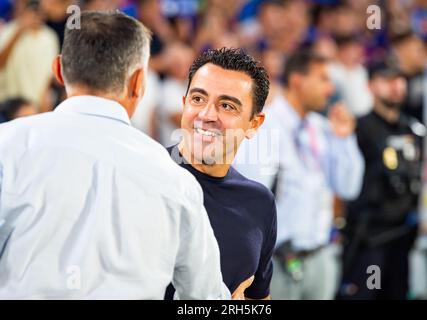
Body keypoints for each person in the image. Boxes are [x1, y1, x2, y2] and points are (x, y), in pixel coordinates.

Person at [0, 11, 229, 300]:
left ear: (58, 71)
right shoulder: (175, 180)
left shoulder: (7, 147)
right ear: (138, 83)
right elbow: (206, 299)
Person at [234, 50, 364, 300]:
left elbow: (349, 187)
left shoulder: (322, 128)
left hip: (321, 257)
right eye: (323, 79)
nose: (330, 89)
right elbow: (250, 204)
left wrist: (345, 139)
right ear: (297, 81)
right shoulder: (264, 127)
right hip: (277, 263)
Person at [166, 47, 277, 300]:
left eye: (227, 106)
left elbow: (258, 298)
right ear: (184, 105)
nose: (206, 115)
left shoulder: (260, 203)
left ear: (254, 124)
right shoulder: (144, 177)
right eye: (197, 99)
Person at [338, 59, 425, 300]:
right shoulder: (360, 128)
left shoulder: (414, 130)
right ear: (371, 86)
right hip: (369, 239)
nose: (396, 86)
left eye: (400, 79)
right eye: (387, 80)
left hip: (404, 238)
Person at [0, 0, 59, 110]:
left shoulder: (49, 37)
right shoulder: (8, 30)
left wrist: (45, 98)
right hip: (8, 103)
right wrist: (18, 32)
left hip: (35, 105)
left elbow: (50, 74)